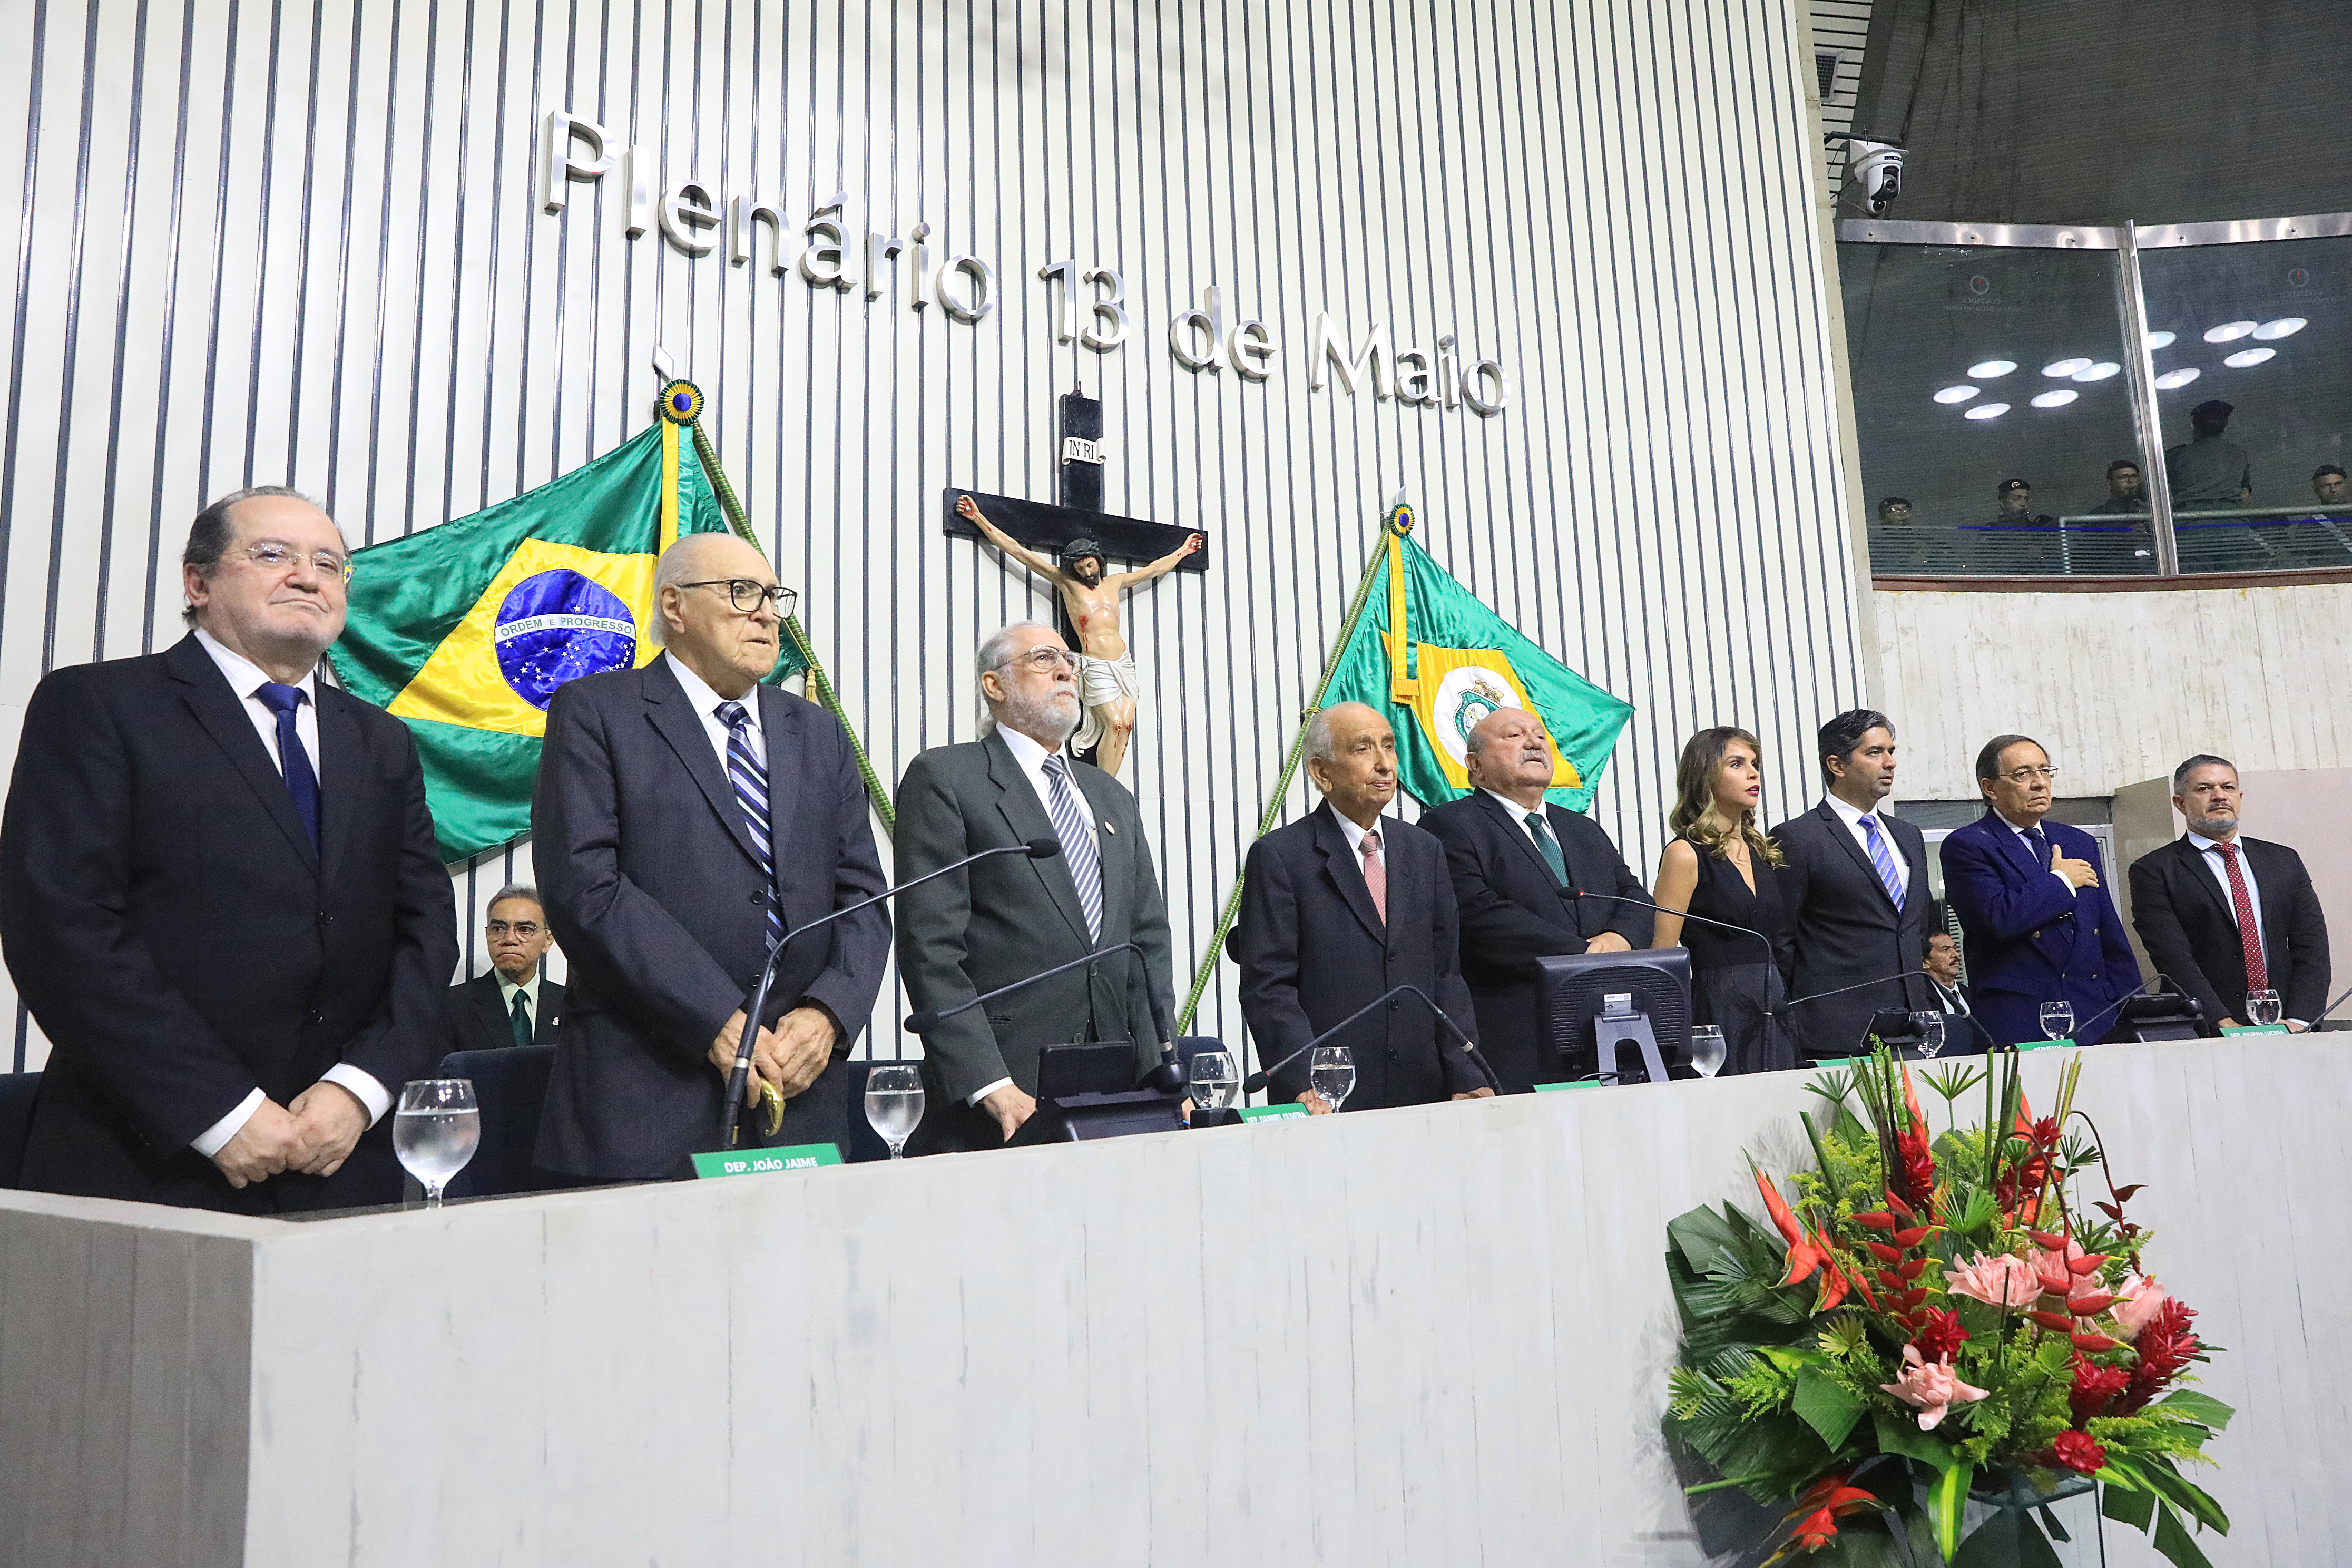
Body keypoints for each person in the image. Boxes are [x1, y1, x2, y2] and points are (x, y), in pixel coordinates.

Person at [0, 486, 457, 1211]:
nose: (307, 576)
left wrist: (360, 1089)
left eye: (329, 564)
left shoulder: (382, 741)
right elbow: (62, 928)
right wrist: (222, 1113)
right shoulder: (98, 706)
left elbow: (427, 932)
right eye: (273, 554)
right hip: (147, 1158)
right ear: (198, 581)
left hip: (341, 1158)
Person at [531, 532, 889, 1181]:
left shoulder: (818, 731)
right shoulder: (597, 712)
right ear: (675, 607)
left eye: (774, 596)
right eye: (742, 592)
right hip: (648, 1089)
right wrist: (717, 1021)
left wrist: (828, 1014)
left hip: (800, 1095)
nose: (768, 614)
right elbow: (586, 888)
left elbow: (862, 895)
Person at [895, 622, 1175, 1151]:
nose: (1067, 671)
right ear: (994, 685)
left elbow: (1147, 946)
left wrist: (1163, 1073)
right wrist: (990, 1085)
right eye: (1045, 659)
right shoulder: (947, 777)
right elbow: (930, 946)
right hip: (1004, 1092)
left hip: (1117, 1089)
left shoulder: (1111, 797)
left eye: (1070, 661)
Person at [1234, 703, 1495, 1113]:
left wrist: (1467, 1076)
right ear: (1322, 773)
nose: (1385, 764)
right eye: (1363, 749)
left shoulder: (1424, 850)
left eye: (1389, 746)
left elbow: (1445, 975)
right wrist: (1304, 1079)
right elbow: (1269, 986)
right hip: (1326, 1097)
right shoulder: (1281, 856)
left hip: (1424, 1091)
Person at [1420, 707, 1652, 1090]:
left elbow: (1634, 896)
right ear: (1475, 766)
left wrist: (1619, 938)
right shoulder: (1450, 824)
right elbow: (1478, 914)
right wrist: (1584, 954)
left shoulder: (1582, 828)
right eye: (1514, 736)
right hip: (1516, 1032)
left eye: (1540, 736)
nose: (1533, 743)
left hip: (1604, 1029)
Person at [955, 494, 1201, 778]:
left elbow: (1153, 569)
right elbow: (1019, 551)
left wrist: (1184, 551)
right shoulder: (1069, 585)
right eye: (1080, 568)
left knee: (1126, 726)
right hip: (1096, 663)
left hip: (1123, 662)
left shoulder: (1115, 583)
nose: (1086, 572)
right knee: (1114, 723)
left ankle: (1110, 787)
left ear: (1098, 561)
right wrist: (978, 518)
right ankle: (1104, 785)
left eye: (1090, 565)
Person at [1941, 736, 2141, 1048]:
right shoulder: (1968, 844)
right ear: (1990, 788)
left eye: (2045, 771)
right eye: (2022, 774)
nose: (2039, 783)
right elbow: (1995, 919)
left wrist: (2138, 1010)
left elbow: (2108, 933)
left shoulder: (2078, 841)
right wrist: (2061, 881)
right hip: (2021, 1018)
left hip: (2096, 1012)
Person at [1770, 710, 1934, 1059]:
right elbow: (1780, 940)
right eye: (1875, 752)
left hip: (1912, 1027)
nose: (1890, 763)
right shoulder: (1798, 838)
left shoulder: (1909, 836)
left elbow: (1913, 929)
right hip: (1836, 1032)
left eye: (1891, 751)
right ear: (1837, 765)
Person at [2127, 755, 2329, 1035]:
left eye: (2228, 787)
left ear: (2240, 797)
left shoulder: (2283, 860)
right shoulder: (2154, 870)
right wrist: (2222, 1023)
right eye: (2204, 789)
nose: (2219, 796)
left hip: (2287, 1027)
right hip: (2206, 1030)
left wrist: (2301, 1020)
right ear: (2180, 803)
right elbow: (2172, 957)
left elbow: (2312, 947)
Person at [1650, 727, 1796, 1075]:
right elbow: (1661, 956)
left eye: (1755, 764)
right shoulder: (1685, 854)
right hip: (1716, 1011)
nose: (1753, 773)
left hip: (1774, 1006)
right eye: (1737, 764)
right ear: (1705, 776)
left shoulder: (1763, 852)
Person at [443, 884, 568, 1052]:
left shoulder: (570, 1006)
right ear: (487, 935)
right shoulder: (452, 1006)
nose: (509, 939)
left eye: (525, 930)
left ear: (548, 940)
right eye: (498, 929)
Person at [1968, 479, 2060, 573]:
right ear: (2002, 502)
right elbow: (1985, 568)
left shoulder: (2037, 529)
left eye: (2026, 499)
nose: (2023, 504)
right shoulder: (1992, 533)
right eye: (2017, 499)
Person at [1920, 930, 1984, 1053]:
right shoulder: (1921, 998)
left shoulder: (1970, 994)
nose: (1956, 955)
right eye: (1945, 950)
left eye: (1955, 949)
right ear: (1925, 963)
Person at [1869, 496, 1963, 574]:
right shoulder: (1876, 548)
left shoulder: (1929, 543)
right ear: (1882, 518)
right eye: (1894, 511)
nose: (1902, 514)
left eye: (1905, 510)